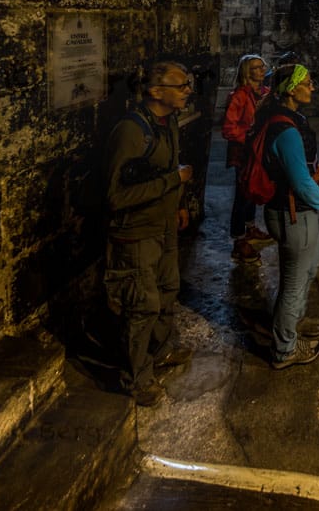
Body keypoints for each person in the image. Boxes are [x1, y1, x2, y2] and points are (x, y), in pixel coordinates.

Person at [103, 61, 196, 406]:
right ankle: (137, 378)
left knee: (168, 288)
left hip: (163, 223)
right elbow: (116, 197)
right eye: (181, 85)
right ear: (156, 92)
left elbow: (170, 167)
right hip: (137, 232)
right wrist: (174, 182)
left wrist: (178, 203)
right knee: (143, 306)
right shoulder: (131, 131)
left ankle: (160, 352)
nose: (188, 90)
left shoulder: (168, 121)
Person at [253, 63, 319, 369]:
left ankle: (294, 322)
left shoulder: (289, 119)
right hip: (293, 215)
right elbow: (300, 182)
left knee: (311, 267)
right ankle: (284, 349)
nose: (312, 87)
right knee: (293, 284)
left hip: (297, 212)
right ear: (290, 89)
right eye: (307, 83)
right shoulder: (285, 130)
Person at [222, 54, 274, 265]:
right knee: (242, 196)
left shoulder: (265, 93)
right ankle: (238, 240)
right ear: (247, 71)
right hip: (244, 152)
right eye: (257, 67)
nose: (262, 70)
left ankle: (250, 227)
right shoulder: (239, 96)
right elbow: (228, 129)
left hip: (258, 151)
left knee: (253, 190)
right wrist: (249, 138)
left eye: (263, 67)